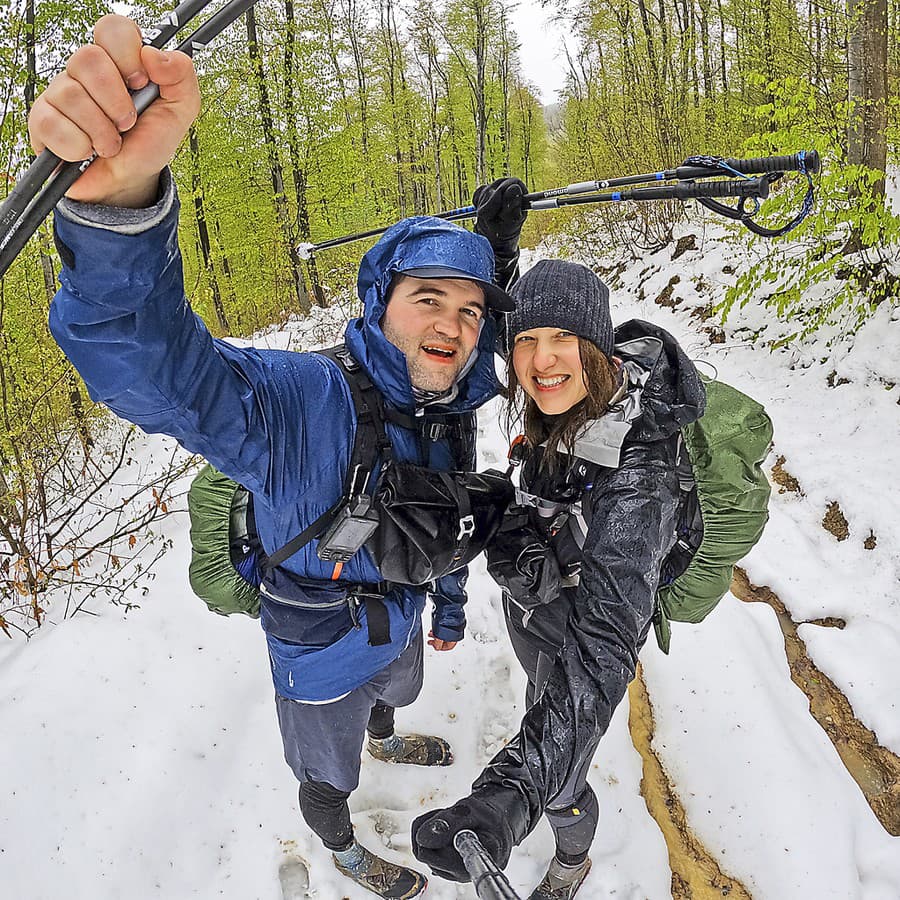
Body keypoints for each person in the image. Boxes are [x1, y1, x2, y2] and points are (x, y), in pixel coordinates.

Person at [29, 15, 527, 899]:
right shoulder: (297, 402)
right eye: (429, 299)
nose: (452, 326)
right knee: (325, 763)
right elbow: (154, 365)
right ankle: (337, 842)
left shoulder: (448, 401)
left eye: (470, 309)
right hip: (319, 641)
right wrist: (117, 210)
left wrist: (498, 258)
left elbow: (497, 377)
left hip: (401, 619)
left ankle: (385, 735)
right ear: (378, 306)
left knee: (393, 696)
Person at [412, 257, 708, 899]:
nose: (541, 361)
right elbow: (472, 335)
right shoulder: (582, 395)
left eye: (562, 340)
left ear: (596, 345)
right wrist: (496, 247)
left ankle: (571, 858)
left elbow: (602, 652)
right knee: (546, 729)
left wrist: (512, 793)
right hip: (539, 612)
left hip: (570, 636)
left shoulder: (640, 478)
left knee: (560, 781)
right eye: (526, 341)